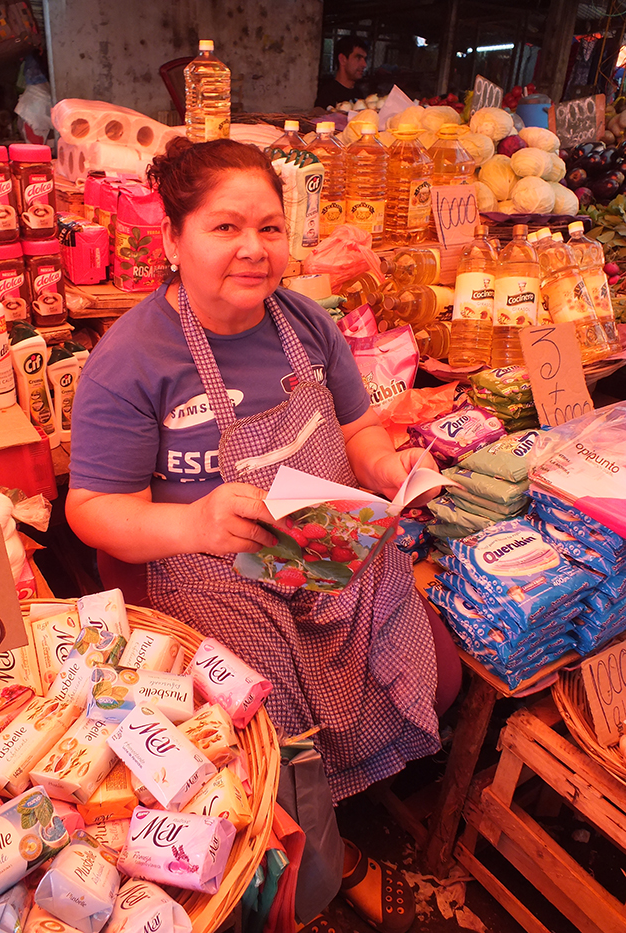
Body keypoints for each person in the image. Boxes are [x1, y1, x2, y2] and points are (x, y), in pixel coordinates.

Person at [66, 137, 461, 933]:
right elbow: (93, 509)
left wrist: (386, 468)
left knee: (430, 663)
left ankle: (333, 818)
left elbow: (357, 426)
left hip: (315, 535)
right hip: (201, 561)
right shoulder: (131, 358)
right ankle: (310, 873)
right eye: (226, 227)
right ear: (173, 239)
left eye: (270, 228)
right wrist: (195, 521)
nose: (254, 248)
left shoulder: (303, 322)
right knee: (273, 720)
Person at [314, 37, 369, 109]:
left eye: (365, 59)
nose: (364, 64)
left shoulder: (358, 94)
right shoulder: (327, 95)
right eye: (358, 58)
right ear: (342, 59)